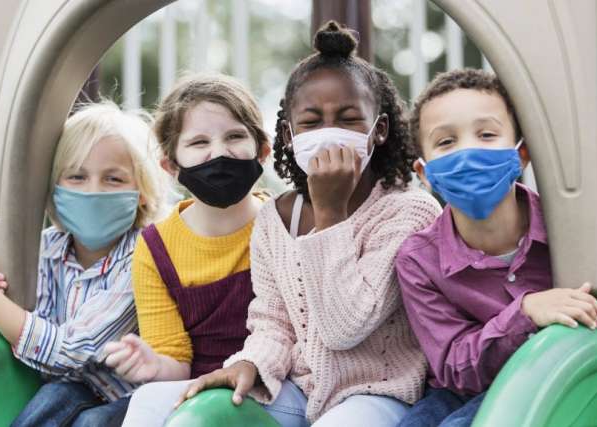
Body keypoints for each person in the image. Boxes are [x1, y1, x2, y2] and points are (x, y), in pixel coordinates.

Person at [174, 21, 441, 427]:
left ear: (379, 130)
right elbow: (272, 321)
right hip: (299, 390)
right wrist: (251, 363)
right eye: (312, 121)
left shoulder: (410, 212)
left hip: (377, 395)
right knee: (185, 410)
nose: (329, 134)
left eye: (348, 119)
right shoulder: (275, 218)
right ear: (289, 133)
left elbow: (344, 328)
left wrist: (330, 213)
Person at [395, 68, 597, 427]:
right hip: (459, 392)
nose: (468, 151)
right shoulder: (418, 259)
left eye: (487, 135)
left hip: (557, 373)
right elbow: (454, 367)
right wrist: (525, 313)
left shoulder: (572, 229)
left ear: (521, 154)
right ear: (424, 172)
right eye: (446, 142)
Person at [0, 101, 165, 427]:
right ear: (56, 189)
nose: (93, 191)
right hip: (64, 388)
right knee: (56, 396)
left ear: (141, 191)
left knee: (78, 412)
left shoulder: (143, 256)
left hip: (125, 395)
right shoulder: (47, 248)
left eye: (113, 179)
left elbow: (73, 351)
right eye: (77, 176)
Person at [102, 74, 271, 426]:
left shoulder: (283, 223)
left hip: (271, 384)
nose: (220, 153)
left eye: (235, 136)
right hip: (194, 390)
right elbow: (175, 361)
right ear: (171, 166)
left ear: (263, 150)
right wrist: (152, 363)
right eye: (198, 142)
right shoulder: (155, 249)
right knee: (147, 401)